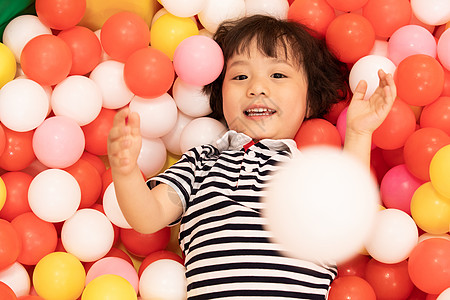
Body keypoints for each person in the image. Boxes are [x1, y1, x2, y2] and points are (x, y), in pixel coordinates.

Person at [108, 15, 396, 299]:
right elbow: (147, 218)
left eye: (278, 75)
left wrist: (359, 132)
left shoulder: (310, 171)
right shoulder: (201, 162)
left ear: (310, 101)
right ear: (220, 95)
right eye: (240, 76)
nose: (256, 87)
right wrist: (126, 172)